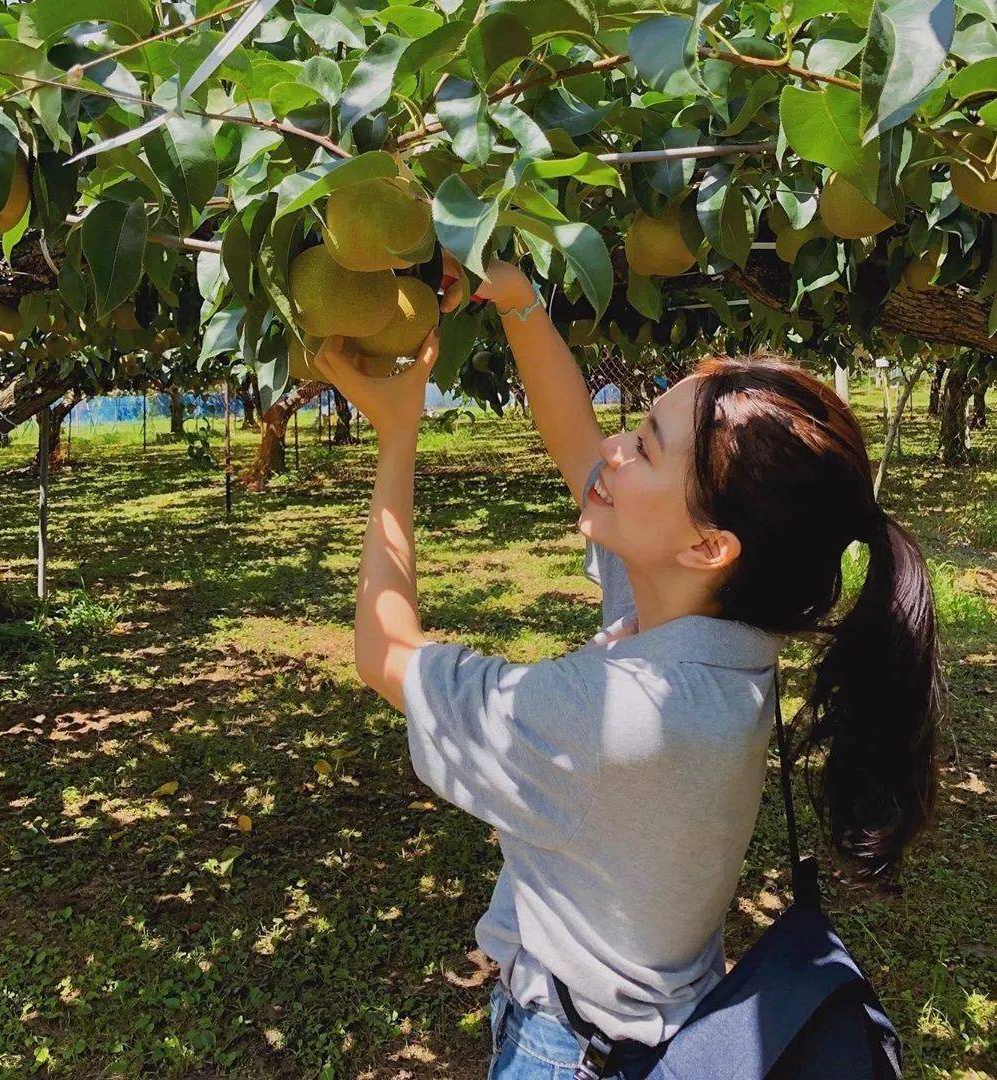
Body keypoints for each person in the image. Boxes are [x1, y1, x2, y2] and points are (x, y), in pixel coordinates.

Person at [310, 259, 941, 1079]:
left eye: (643, 446)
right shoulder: (719, 626)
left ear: (708, 546)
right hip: (649, 1021)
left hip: (569, 1053)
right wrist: (519, 302)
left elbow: (383, 653)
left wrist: (397, 437)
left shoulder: (623, 714)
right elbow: (578, 440)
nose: (612, 449)